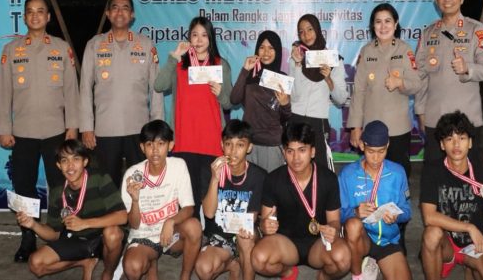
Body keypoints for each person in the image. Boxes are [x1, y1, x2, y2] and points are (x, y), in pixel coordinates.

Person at [0, 0, 80, 262]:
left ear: (48, 16)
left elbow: (72, 92)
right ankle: (28, 238)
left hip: (56, 131)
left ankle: (61, 234)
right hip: (23, 133)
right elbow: (3, 93)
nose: (35, 16)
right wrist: (3, 129)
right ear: (24, 17)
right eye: (30, 11)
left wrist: (73, 127)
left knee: (60, 186)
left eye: (40, 11)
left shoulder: (61, 48)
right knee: (24, 187)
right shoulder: (11, 50)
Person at [79, 0, 163, 189]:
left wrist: (157, 128)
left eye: (125, 8)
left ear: (132, 15)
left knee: (141, 184)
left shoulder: (146, 44)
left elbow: (156, 89)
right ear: (108, 13)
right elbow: (85, 88)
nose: (120, 12)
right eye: (115, 7)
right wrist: (86, 127)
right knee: (107, 185)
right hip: (106, 129)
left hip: (139, 129)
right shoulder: (94, 45)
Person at [154, 16, 233, 218]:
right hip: (184, 141)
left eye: (204, 35)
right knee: (188, 201)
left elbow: (229, 103)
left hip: (211, 141)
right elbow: (159, 86)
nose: (199, 40)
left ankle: (211, 235)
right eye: (194, 35)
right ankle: (192, 233)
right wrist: (174, 57)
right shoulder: (180, 64)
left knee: (211, 197)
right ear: (189, 37)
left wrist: (220, 94)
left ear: (211, 38)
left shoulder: (220, 64)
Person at [252, 122, 350, 280]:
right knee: (259, 259)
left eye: (302, 150)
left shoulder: (328, 179)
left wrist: (333, 229)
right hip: (286, 244)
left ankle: (323, 277)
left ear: (312, 151)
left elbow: (334, 221)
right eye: (290, 151)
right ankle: (287, 272)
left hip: (319, 243)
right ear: (284, 152)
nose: (296, 158)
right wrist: (265, 225)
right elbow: (265, 220)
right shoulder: (273, 179)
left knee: (343, 259)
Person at [15, 139, 126, 280]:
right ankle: (85, 261)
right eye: (64, 160)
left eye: (76, 159)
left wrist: (85, 223)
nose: (70, 166)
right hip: (75, 239)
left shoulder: (100, 178)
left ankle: (108, 273)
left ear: (85, 162)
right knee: (35, 264)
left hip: (101, 237)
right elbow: (54, 234)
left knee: (113, 234)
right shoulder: (57, 191)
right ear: (58, 165)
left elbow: (122, 216)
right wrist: (33, 225)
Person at [419, 111, 483, 280]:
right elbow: (429, 217)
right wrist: (469, 227)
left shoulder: (482, 172)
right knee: (432, 234)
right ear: (442, 145)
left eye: (462, 138)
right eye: (449, 139)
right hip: (446, 244)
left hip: (474, 243)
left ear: (470, 142)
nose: (456, 144)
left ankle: (470, 267)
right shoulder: (432, 170)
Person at [414, 0, 483, 164]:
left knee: (470, 175)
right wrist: (420, 112)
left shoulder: (476, 29)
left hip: (467, 119)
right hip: (435, 118)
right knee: (435, 174)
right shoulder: (428, 33)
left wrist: (467, 68)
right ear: (436, 0)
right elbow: (420, 77)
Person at [121, 120, 203, 280]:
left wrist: (170, 221)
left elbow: (189, 208)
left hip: (170, 235)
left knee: (194, 227)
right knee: (132, 267)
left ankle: (185, 276)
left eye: (161, 143)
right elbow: (134, 224)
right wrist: (135, 201)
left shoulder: (178, 166)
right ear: (142, 147)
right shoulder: (132, 174)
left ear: (170, 145)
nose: (155, 150)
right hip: (144, 236)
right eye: (149, 144)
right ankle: (151, 259)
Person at [348, 3, 422, 178]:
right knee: (372, 175)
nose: (383, 26)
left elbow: (417, 84)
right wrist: (355, 127)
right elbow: (359, 92)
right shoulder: (366, 51)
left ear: (395, 24)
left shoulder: (404, 50)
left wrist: (400, 83)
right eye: (378, 22)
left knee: (399, 175)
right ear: (373, 26)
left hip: (398, 129)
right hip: (372, 129)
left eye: (388, 21)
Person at [339, 120, 412, 280]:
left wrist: (397, 216)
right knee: (353, 225)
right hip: (360, 240)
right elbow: (336, 215)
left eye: (381, 151)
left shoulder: (397, 172)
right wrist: (355, 212)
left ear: (388, 145)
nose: (376, 158)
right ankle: (358, 275)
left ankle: (374, 262)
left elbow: (407, 211)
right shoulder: (348, 174)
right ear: (362, 145)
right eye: (371, 151)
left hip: (387, 241)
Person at [196, 120, 267, 280]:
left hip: (247, 232)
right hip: (219, 235)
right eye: (229, 144)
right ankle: (233, 264)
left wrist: (242, 232)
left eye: (240, 145)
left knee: (245, 237)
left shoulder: (259, 176)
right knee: (203, 269)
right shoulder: (210, 171)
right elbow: (208, 213)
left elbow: (252, 217)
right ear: (222, 145)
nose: (233, 151)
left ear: (249, 147)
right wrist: (215, 179)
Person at [289, 13, 348, 170]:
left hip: (318, 123)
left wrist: (328, 79)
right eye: (301, 31)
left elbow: (341, 99)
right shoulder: (296, 58)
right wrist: (297, 65)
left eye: (310, 29)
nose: (306, 35)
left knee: (319, 170)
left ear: (317, 29)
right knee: (295, 168)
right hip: (295, 119)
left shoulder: (334, 59)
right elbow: (294, 96)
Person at [230, 30, 291, 172]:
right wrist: (245, 70)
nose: (266, 52)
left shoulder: (282, 79)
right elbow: (234, 99)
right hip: (248, 142)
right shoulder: (250, 74)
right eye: (262, 47)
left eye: (271, 48)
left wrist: (285, 104)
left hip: (271, 144)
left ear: (277, 52)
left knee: (271, 185)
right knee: (250, 183)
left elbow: (285, 118)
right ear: (257, 50)